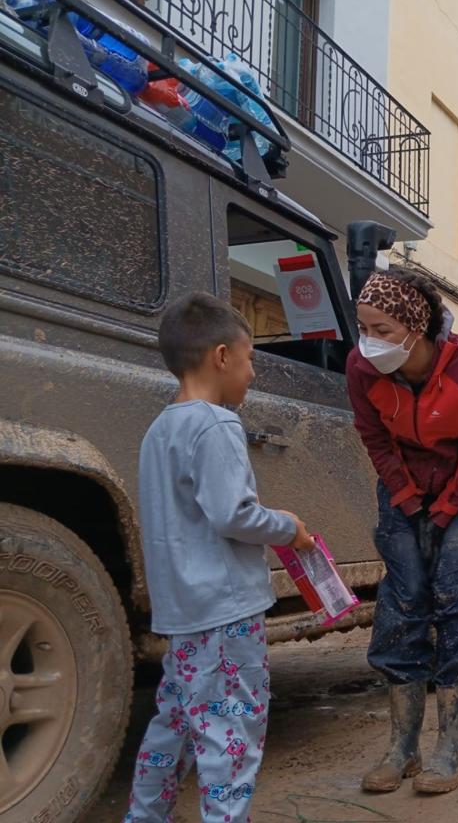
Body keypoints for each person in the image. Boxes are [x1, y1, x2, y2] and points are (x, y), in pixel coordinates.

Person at [124, 292, 314, 823]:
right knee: (232, 734)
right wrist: (288, 529)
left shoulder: (160, 428)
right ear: (222, 356)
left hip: (182, 612)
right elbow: (234, 515)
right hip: (225, 613)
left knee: (176, 724)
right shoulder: (217, 424)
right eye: (251, 358)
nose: (253, 373)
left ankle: (144, 817)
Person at [347, 269, 458, 794]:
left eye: (383, 330)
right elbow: (375, 440)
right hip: (407, 481)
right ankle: (403, 748)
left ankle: (451, 749)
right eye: (363, 326)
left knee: (456, 589)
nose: (370, 340)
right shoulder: (361, 367)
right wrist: (409, 500)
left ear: (418, 328)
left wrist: (444, 513)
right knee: (403, 595)